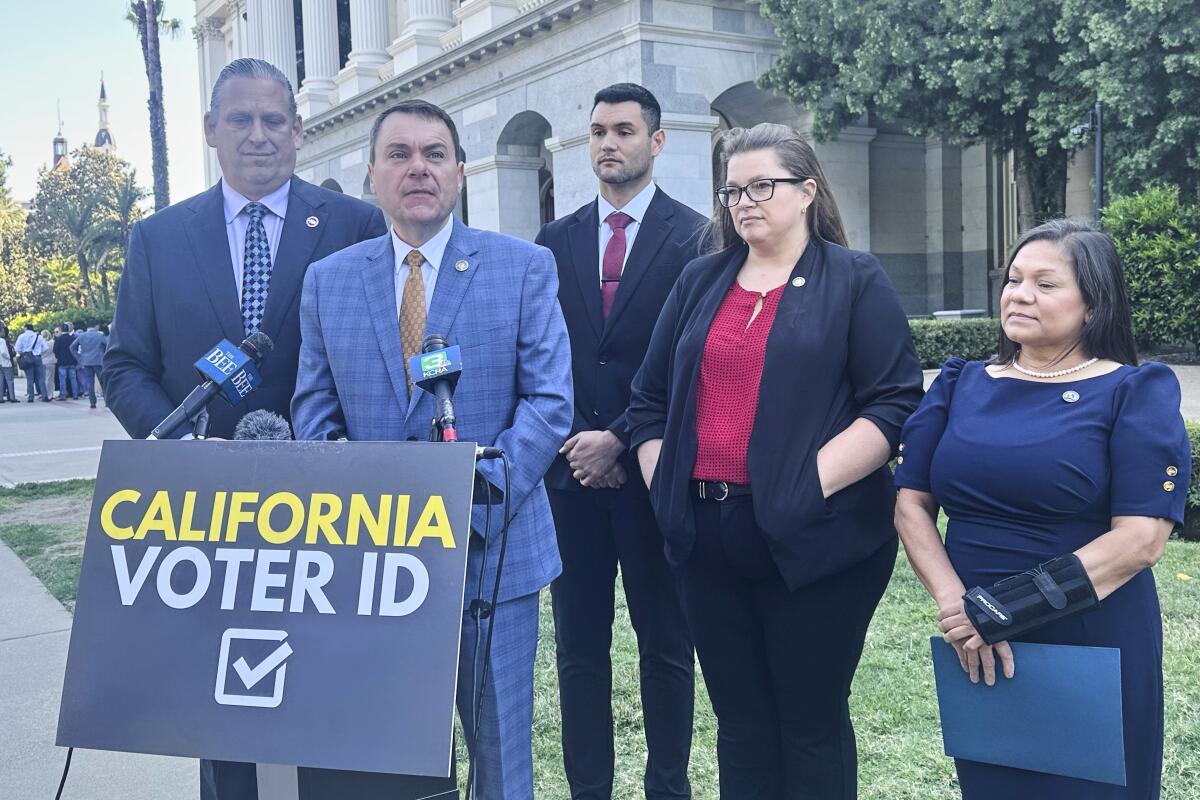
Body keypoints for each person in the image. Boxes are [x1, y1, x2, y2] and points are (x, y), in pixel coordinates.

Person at [101, 57, 385, 800]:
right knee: (225, 698)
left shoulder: (353, 224)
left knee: (331, 690)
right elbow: (126, 365)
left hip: (332, 508)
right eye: (239, 120)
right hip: (211, 513)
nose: (258, 136)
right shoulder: (158, 238)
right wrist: (188, 451)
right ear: (210, 131)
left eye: (272, 121)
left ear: (298, 130)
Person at [626, 122, 923, 798]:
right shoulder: (700, 280)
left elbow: (894, 404)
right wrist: (669, 488)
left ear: (807, 190)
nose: (745, 201)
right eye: (733, 189)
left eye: (763, 185)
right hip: (705, 538)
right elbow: (646, 403)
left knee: (809, 724)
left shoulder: (852, 279)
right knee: (741, 727)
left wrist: (799, 486)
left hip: (817, 540)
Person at [291, 99, 573, 799]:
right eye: (399, 154)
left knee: (501, 759)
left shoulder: (523, 267)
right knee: (389, 759)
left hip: (492, 557)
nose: (418, 168)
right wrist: (369, 521)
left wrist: (472, 507)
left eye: (434, 154)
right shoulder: (329, 282)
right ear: (371, 175)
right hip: (373, 567)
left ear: (460, 171)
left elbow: (548, 404)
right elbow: (314, 413)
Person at [893, 218, 1191, 799]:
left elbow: (1141, 541)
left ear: (1093, 306)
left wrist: (1001, 610)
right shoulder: (960, 382)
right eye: (1013, 279)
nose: (1019, 294)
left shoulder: (1135, 391)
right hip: (976, 643)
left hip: (1093, 634)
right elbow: (910, 504)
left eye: (1046, 284)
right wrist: (963, 612)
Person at [535, 82, 704, 800]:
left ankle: (669, 786)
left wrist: (621, 437)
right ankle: (588, 791)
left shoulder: (698, 238)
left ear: (656, 142)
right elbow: (539, 353)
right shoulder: (555, 240)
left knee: (667, 647)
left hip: (655, 477)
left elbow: (690, 363)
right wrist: (579, 439)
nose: (609, 143)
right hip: (571, 481)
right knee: (579, 651)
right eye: (599, 130)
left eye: (625, 131)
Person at [72, 322, 108, 408]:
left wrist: (79, 357)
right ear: (96, 326)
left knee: (89, 382)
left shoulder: (81, 336)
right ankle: (107, 400)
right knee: (103, 381)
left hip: (86, 361)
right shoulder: (100, 336)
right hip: (98, 361)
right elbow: (107, 345)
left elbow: (72, 347)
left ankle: (92, 402)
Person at [14, 322, 50, 403]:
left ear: (26, 328)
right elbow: (46, 348)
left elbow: (17, 348)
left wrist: (23, 352)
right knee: (41, 378)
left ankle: (31, 397)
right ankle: (44, 395)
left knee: (30, 378)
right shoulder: (39, 336)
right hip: (37, 358)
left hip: (27, 358)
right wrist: (39, 352)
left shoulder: (22, 336)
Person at [53, 323, 78, 399]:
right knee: (73, 379)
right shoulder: (72, 338)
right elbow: (76, 349)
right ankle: (75, 395)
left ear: (62, 330)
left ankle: (63, 395)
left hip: (62, 361)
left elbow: (55, 350)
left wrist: (58, 357)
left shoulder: (58, 339)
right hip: (72, 361)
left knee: (62, 379)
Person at [0, 324, 17, 403]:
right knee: (10, 380)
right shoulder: (3, 341)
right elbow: (3, 352)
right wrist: (8, 357)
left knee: (1, 381)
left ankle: (1, 398)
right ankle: (12, 397)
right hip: (5, 363)